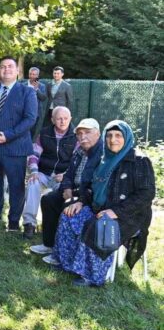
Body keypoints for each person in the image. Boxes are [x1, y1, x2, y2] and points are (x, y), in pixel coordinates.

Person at [51, 120, 154, 287]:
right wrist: (82, 203)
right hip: (99, 208)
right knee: (69, 217)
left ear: (126, 137)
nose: (113, 140)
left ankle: (91, 276)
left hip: (128, 216)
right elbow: (92, 187)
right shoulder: (104, 159)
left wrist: (116, 212)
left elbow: (146, 194)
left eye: (118, 135)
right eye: (110, 136)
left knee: (97, 226)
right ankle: (68, 264)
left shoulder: (139, 161)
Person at [0, 56, 38, 230]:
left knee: (16, 185)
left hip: (15, 146)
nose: (6, 69)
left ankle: (13, 221)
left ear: (17, 70)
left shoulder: (28, 92)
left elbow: (30, 119)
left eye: (10, 66)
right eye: (3, 67)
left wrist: (7, 135)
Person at [29, 118, 103, 259]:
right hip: (74, 190)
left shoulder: (102, 154)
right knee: (48, 200)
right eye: (79, 134)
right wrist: (67, 188)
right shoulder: (80, 151)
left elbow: (96, 184)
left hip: (89, 196)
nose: (83, 137)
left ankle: (63, 254)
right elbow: (69, 174)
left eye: (87, 132)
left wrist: (77, 197)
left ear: (98, 134)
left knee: (68, 207)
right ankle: (49, 245)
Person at [21, 106, 76, 238]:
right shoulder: (44, 133)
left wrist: (65, 175)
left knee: (61, 194)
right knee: (33, 184)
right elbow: (34, 155)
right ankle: (29, 224)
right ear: (52, 120)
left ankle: (57, 227)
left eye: (65, 118)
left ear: (70, 119)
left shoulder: (76, 136)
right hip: (44, 173)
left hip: (63, 176)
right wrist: (34, 171)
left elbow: (76, 161)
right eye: (59, 118)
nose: (62, 121)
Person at [27, 67, 48, 137]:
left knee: (32, 131)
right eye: (31, 74)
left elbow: (43, 98)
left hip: (35, 112)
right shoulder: (23, 85)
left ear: (37, 76)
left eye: (34, 74)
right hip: (23, 111)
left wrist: (36, 89)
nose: (32, 76)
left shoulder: (41, 86)